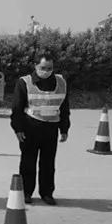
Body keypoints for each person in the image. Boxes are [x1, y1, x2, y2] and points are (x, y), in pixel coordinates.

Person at [10, 52, 70, 205]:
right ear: (35, 66)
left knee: (48, 164)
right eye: (43, 68)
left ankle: (47, 193)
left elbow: (64, 108)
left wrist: (64, 129)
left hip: (51, 128)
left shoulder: (61, 82)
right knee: (28, 163)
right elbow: (17, 108)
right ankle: (26, 193)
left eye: (49, 68)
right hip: (30, 127)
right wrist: (18, 129)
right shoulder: (24, 82)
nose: (46, 71)